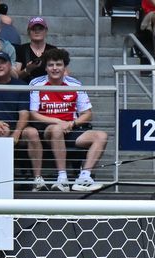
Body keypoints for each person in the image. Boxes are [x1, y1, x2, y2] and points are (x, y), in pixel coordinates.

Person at [28, 48, 106, 192]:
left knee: (101, 136)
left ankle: (84, 178)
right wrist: (58, 122)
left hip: (71, 129)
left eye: (59, 64)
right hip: (48, 130)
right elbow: (33, 114)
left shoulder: (75, 84)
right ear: (45, 67)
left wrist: (72, 123)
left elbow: (87, 114)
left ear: (65, 67)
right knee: (57, 129)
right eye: (51, 65)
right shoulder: (36, 83)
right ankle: (62, 179)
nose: (55, 68)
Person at [0, 51, 43, 186]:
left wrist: (17, 133)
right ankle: (1, 180)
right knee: (3, 130)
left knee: (32, 132)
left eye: (3, 63)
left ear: (10, 66)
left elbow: (24, 114)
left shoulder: (21, 85)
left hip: (18, 128)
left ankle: (38, 179)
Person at [14, 16, 52, 81]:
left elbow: (63, 72)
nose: (37, 31)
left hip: (48, 86)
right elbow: (16, 76)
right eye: (33, 29)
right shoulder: (21, 49)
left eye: (40, 29)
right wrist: (27, 70)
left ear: (46, 31)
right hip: (27, 86)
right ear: (28, 31)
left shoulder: (52, 50)